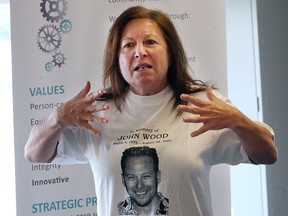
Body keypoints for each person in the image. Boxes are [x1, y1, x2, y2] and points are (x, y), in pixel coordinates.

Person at [25, 5, 278, 216]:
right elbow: (34, 154)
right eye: (128, 45)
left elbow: (268, 153)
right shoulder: (98, 112)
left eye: (150, 42)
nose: (140, 52)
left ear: (170, 53)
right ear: (118, 60)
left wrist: (238, 121)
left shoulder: (202, 105)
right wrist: (56, 120)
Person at [118, 146, 169, 215]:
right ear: (123, 180)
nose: (139, 186)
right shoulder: (117, 210)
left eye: (146, 176)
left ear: (158, 176)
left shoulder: (176, 205)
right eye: (131, 177)